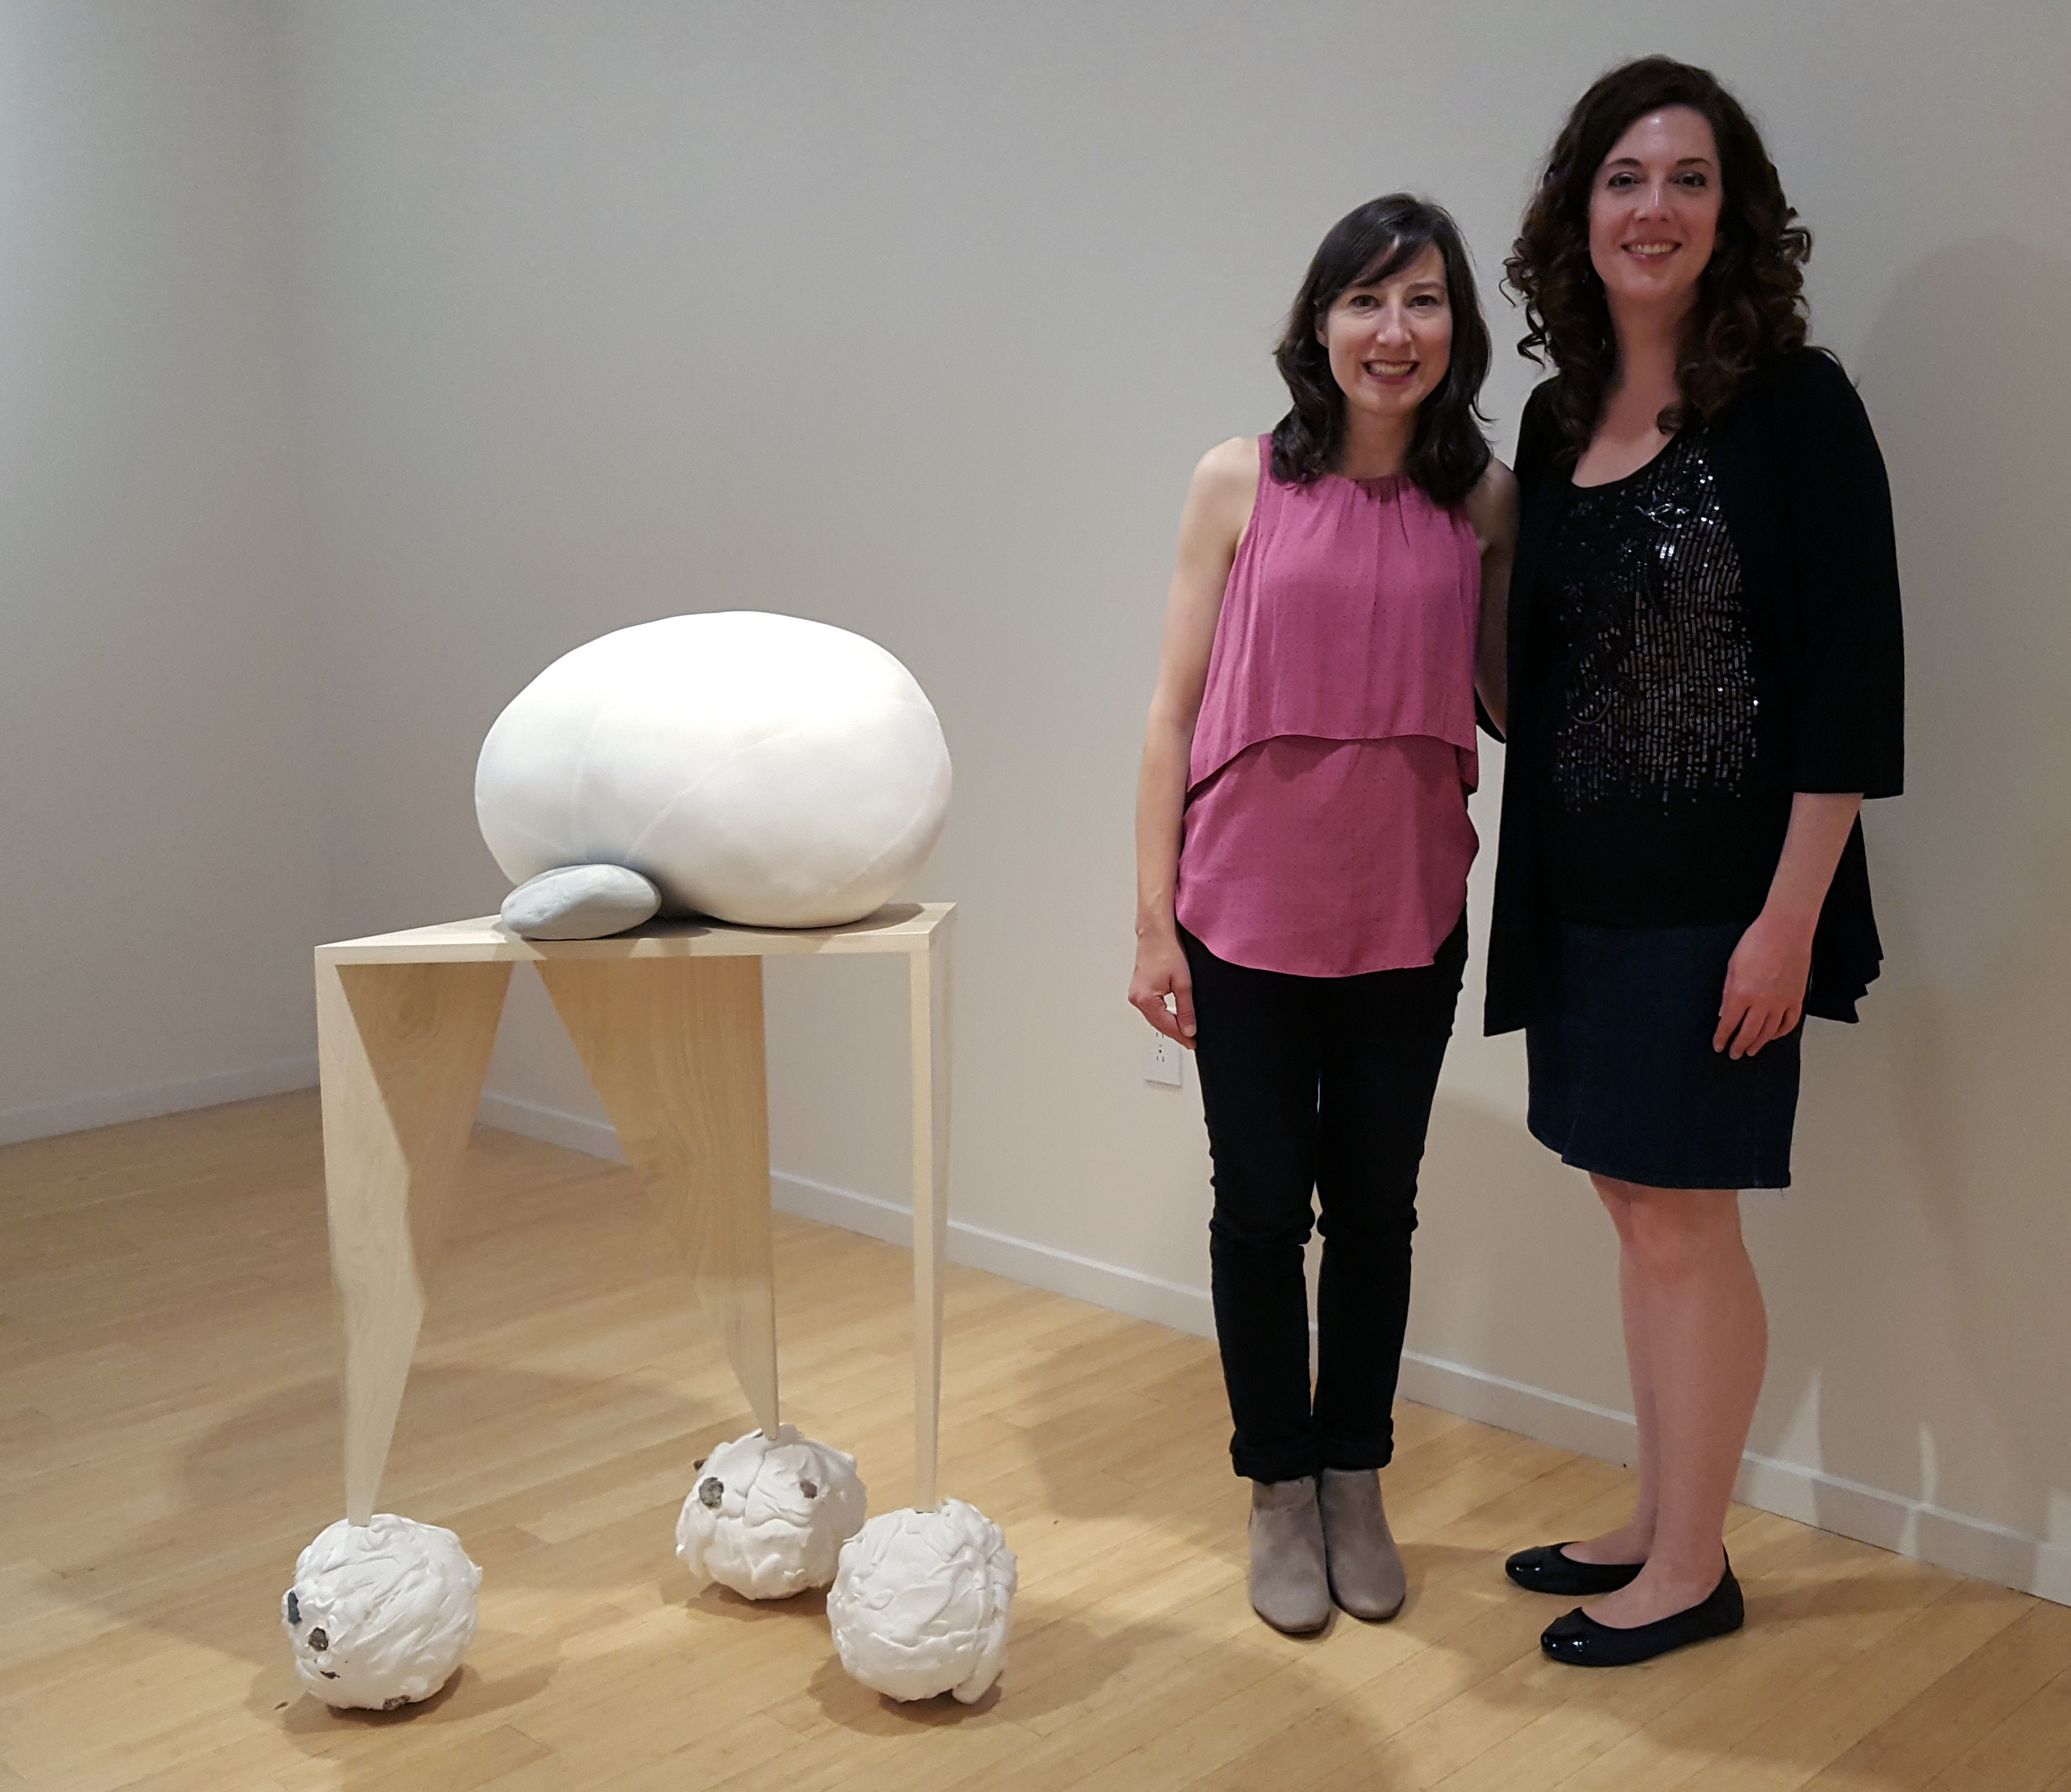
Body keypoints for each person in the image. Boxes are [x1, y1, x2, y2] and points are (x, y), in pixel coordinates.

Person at [1485, 56, 1904, 1667]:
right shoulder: (1553, 420)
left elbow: (1852, 681)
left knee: (1685, 1224)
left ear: (1733, 215)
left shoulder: (1795, 407)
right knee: (1630, 1206)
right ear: (1578, 211)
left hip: (1723, 907)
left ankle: (1692, 1565)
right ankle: (1659, 1516)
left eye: (1688, 178)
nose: (1653, 207)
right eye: (1625, 178)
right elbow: (1532, 685)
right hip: (1582, 894)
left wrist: (1788, 920)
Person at [1129, 195, 1517, 1636]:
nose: (1392, 330)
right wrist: (1150, 922)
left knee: (1373, 1214)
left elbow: (1503, 695)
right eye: (1365, 300)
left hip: (1405, 911)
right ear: (1319, 324)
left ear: (1455, 329)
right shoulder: (1235, 479)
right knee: (1256, 1213)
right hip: (1240, 911)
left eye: (1422, 301)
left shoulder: (1483, 502)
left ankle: (1355, 1476)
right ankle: (1276, 1489)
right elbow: (1169, 714)